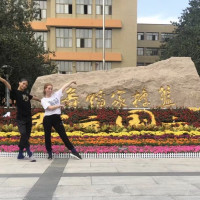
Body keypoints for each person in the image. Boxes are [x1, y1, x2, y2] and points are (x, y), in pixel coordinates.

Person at [0, 77, 40, 162]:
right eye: (23, 83)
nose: (24, 85)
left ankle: (20, 154)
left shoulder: (26, 94)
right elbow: (6, 84)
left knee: (25, 137)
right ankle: (30, 154)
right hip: (21, 119)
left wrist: (42, 100)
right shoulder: (15, 92)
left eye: (26, 85)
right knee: (24, 135)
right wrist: (2, 79)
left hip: (28, 118)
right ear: (19, 83)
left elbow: (33, 98)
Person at [41, 81, 82, 160]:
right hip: (48, 119)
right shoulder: (44, 100)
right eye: (49, 88)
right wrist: (59, 105)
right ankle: (49, 153)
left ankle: (74, 151)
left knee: (63, 135)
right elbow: (49, 108)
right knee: (47, 136)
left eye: (51, 88)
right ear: (45, 89)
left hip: (56, 118)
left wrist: (71, 82)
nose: (50, 90)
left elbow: (64, 86)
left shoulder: (56, 94)